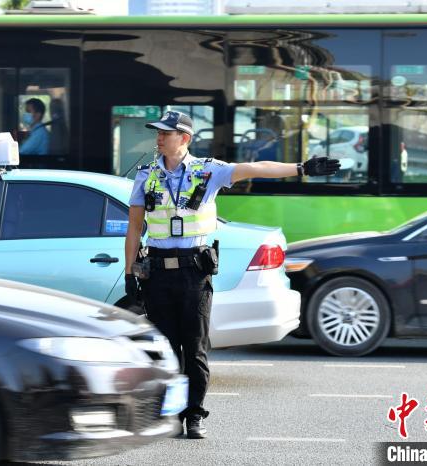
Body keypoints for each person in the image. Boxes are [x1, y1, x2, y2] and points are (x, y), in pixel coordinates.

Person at [124, 111, 339, 439]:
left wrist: (301, 168)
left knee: (194, 347)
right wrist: (130, 273)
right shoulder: (146, 175)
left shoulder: (207, 170)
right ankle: (167, 415)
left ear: (184, 138)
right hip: (157, 273)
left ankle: (193, 415)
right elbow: (135, 227)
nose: (158, 138)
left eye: (165, 133)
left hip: (193, 273)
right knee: (166, 349)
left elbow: (255, 168)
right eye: (157, 133)